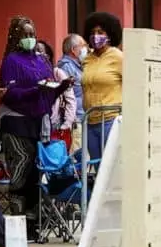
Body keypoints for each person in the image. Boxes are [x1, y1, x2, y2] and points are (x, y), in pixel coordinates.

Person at [0, 16, 74, 240]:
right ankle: (16, 227)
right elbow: (9, 93)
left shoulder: (41, 60)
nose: (30, 39)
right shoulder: (11, 61)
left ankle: (33, 225)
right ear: (16, 37)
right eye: (25, 35)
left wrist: (60, 88)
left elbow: (47, 92)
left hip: (38, 122)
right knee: (21, 171)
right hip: (16, 123)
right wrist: (35, 90)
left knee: (34, 175)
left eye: (32, 34)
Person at [81, 11, 124, 161]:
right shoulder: (87, 59)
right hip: (90, 120)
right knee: (98, 167)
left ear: (110, 34)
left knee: (112, 165)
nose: (95, 36)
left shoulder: (118, 57)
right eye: (92, 32)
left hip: (111, 119)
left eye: (100, 32)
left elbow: (132, 86)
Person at [35, 39, 77, 152]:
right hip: (34, 126)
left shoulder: (57, 73)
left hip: (56, 126)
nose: (37, 54)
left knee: (54, 159)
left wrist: (67, 124)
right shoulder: (31, 75)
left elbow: (70, 100)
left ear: (48, 56)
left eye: (40, 51)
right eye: (34, 51)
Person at [56, 34, 87, 154]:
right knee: (76, 155)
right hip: (75, 120)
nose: (86, 49)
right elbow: (68, 95)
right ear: (73, 50)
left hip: (81, 117)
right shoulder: (66, 67)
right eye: (82, 46)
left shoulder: (78, 66)